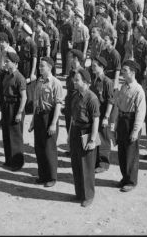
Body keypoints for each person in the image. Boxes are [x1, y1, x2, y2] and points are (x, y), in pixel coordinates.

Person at [110, 60, 146, 192]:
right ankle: (125, 177)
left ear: (133, 72)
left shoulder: (138, 90)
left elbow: (140, 113)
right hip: (122, 121)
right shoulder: (123, 87)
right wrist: (114, 125)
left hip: (131, 121)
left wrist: (135, 131)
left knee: (131, 153)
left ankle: (131, 181)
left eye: (125, 71)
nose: (122, 73)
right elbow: (117, 106)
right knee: (122, 152)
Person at [29, 56, 64, 188]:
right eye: (39, 65)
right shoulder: (39, 81)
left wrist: (54, 123)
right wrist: (33, 120)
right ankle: (42, 175)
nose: (39, 68)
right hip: (39, 116)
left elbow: (58, 105)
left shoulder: (56, 83)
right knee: (39, 148)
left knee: (49, 148)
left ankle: (51, 177)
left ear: (49, 67)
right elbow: (36, 102)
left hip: (49, 117)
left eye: (42, 66)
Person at [69, 67, 100, 207]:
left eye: (77, 80)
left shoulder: (92, 98)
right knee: (76, 163)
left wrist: (92, 140)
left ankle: (88, 195)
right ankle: (80, 193)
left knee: (86, 166)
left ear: (86, 82)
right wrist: (69, 135)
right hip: (76, 130)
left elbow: (95, 121)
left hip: (86, 132)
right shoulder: (75, 96)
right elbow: (72, 118)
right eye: (74, 79)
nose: (74, 82)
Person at [0, 51, 27, 171]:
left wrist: (19, 113)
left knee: (15, 135)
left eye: (7, 61)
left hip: (15, 106)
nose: (5, 63)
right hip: (7, 105)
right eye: (5, 61)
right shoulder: (7, 74)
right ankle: (9, 160)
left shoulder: (19, 77)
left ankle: (17, 163)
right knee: (6, 133)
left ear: (15, 63)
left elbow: (24, 97)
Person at [90, 56, 114, 173]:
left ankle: (103, 163)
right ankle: (94, 161)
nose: (92, 67)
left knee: (103, 138)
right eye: (92, 65)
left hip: (103, 113)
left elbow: (110, 101)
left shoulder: (107, 82)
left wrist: (106, 117)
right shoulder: (93, 79)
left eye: (95, 66)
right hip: (94, 114)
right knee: (94, 136)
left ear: (102, 67)